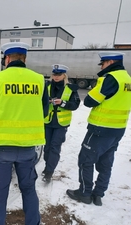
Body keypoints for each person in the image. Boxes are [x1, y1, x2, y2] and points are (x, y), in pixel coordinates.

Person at [0, 42, 49, 225]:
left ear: (7, 59)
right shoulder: (39, 81)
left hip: (2, 147)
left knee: (0, 192)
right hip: (28, 147)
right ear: (25, 58)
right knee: (29, 189)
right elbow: (44, 111)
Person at [66, 51, 131, 206]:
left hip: (100, 129)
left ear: (109, 63)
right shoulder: (128, 79)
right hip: (118, 129)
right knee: (106, 162)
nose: (101, 66)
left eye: (102, 63)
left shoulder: (110, 79)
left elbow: (89, 101)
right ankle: (98, 194)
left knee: (85, 161)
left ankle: (84, 193)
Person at [42, 64, 80, 183]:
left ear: (64, 75)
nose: (56, 77)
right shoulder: (46, 86)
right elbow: (39, 101)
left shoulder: (71, 88)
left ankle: (49, 172)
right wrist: (47, 102)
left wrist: (62, 103)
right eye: (54, 74)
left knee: (54, 147)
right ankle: (47, 166)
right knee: (47, 147)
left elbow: (75, 105)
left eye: (59, 75)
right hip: (47, 121)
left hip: (61, 124)